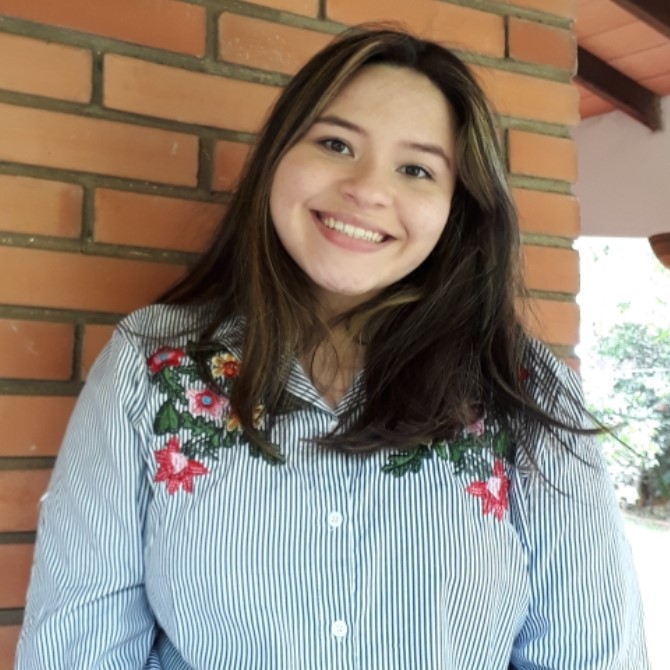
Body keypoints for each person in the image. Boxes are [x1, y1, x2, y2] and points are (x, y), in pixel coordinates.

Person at [15, 27, 648, 670]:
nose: (368, 190)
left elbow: (592, 652)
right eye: (336, 143)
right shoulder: (153, 367)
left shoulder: (521, 389)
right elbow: (76, 644)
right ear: (279, 157)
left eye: (416, 168)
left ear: (457, 205)